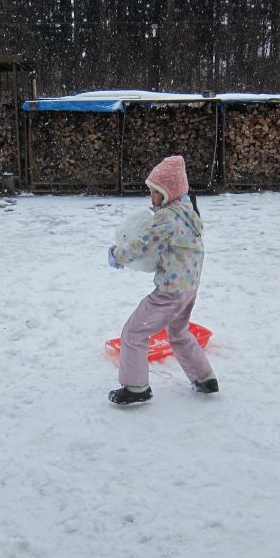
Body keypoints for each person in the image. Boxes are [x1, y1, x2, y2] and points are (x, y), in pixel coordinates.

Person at [107, 155, 218, 404]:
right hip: (189, 289)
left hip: (169, 291)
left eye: (155, 192)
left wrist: (118, 255)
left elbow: (143, 245)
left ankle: (136, 387)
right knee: (178, 333)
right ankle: (205, 377)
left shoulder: (167, 218)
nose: (151, 198)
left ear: (169, 193)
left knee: (134, 332)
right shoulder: (188, 213)